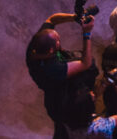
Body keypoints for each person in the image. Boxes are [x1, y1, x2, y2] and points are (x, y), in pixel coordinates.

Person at [26, 11, 97, 139]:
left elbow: (52, 19)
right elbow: (85, 63)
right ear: (51, 50)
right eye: (58, 41)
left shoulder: (37, 45)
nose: (60, 41)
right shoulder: (52, 69)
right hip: (61, 100)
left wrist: (75, 17)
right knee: (66, 123)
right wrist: (87, 33)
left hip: (53, 92)